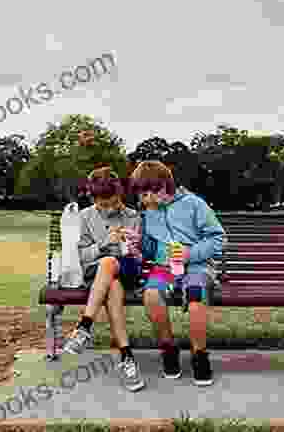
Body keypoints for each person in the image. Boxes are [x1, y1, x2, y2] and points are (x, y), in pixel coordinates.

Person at [127, 160, 227, 386]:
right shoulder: (149, 211)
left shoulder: (194, 204)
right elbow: (152, 248)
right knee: (152, 295)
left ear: (161, 188)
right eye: (141, 196)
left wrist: (190, 254)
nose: (142, 201)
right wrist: (139, 244)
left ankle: (199, 356)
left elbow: (218, 238)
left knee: (195, 295)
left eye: (145, 194)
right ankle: (168, 349)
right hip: (164, 268)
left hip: (197, 266)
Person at [62, 166, 146, 392]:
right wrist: (104, 243)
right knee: (111, 281)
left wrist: (135, 248)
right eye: (103, 204)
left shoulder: (132, 216)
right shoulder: (84, 217)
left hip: (127, 270)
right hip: (96, 275)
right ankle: (127, 357)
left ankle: (84, 326)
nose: (109, 208)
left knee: (111, 266)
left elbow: (141, 256)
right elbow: (78, 256)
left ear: (120, 195)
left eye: (114, 202)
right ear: (93, 198)